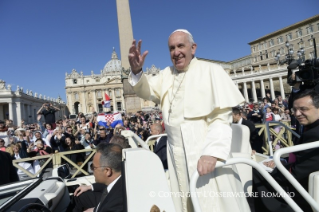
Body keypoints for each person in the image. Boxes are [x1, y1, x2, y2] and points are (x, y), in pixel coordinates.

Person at [128, 29, 248, 211]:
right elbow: (147, 91)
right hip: (175, 151)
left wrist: (212, 153)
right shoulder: (166, 74)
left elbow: (221, 119)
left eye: (180, 46)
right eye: (171, 48)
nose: (176, 52)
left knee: (212, 203)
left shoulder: (211, 71)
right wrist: (137, 70)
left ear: (193, 48)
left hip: (203, 148)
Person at [253, 89, 319, 212]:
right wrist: (283, 161)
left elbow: (298, 172)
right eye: (295, 110)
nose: (297, 114)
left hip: (304, 191)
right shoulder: (310, 128)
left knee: (258, 173)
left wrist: (279, 166)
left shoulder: (314, 134)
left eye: (303, 109)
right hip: (304, 179)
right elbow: (304, 158)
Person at [73, 143, 124, 212]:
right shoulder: (121, 181)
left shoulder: (113, 205)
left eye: (93, 167)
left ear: (107, 171)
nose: (92, 170)